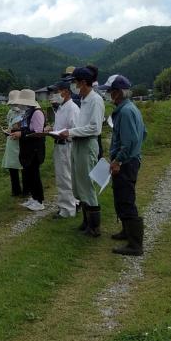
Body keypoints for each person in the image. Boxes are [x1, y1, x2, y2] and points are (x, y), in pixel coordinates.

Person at [99, 74, 147, 256]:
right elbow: (143, 134)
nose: (108, 95)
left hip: (126, 162)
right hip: (131, 160)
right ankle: (127, 231)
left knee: (126, 199)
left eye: (110, 91)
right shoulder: (130, 108)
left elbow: (129, 141)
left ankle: (135, 245)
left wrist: (118, 160)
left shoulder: (125, 112)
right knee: (122, 197)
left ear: (118, 93)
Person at [59, 66, 105, 237]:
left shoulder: (95, 100)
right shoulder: (85, 100)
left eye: (76, 82)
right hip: (78, 143)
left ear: (84, 82)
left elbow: (94, 127)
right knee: (78, 184)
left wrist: (70, 132)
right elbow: (82, 125)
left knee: (86, 184)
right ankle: (86, 221)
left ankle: (95, 226)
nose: (74, 86)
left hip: (87, 145)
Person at [46, 81, 80, 219]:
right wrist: (52, 130)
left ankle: (67, 209)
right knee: (66, 176)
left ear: (65, 92)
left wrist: (65, 133)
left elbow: (76, 129)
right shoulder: (61, 108)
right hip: (60, 144)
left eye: (56, 92)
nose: (53, 95)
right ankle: (74, 204)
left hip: (66, 145)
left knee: (65, 178)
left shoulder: (72, 108)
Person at [9, 89, 46, 211]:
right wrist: (15, 131)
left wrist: (21, 134)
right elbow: (26, 128)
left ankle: (39, 200)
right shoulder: (28, 112)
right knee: (29, 174)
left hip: (34, 149)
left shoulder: (37, 113)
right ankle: (33, 198)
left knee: (35, 175)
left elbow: (37, 131)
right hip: (27, 148)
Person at [2, 90, 27, 197]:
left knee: (24, 166)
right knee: (12, 167)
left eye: (15, 103)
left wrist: (19, 128)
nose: (13, 106)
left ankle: (27, 190)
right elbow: (9, 124)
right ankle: (15, 190)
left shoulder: (26, 112)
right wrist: (8, 131)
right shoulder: (10, 112)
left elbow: (27, 128)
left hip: (22, 143)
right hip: (11, 142)